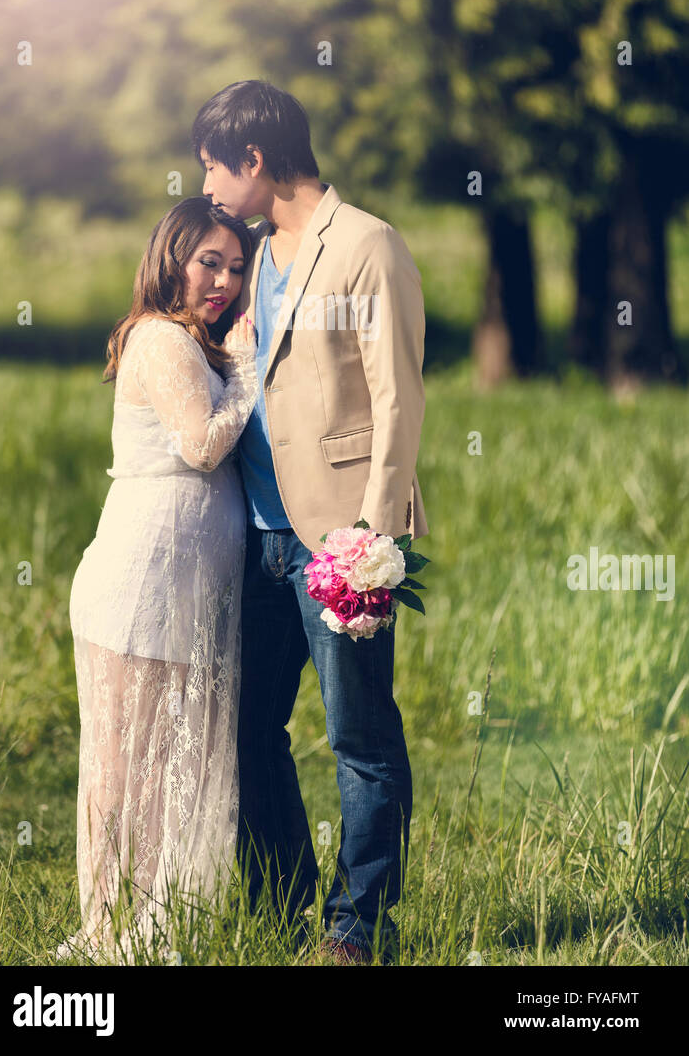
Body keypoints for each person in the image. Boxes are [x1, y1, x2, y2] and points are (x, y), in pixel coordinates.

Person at [191, 79, 429, 964]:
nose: (206, 182)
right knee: (247, 729)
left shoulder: (369, 246)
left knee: (360, 738)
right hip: (251, 536)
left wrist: (371, 541)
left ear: (255, 159)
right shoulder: (247, 251)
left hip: (336, 543)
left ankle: (357, 928)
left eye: (214, 164)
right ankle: (288, 903)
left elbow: (399, 401)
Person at [56, 197, 258, 962]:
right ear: (171, 256)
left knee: (167, 759)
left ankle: (157, 920)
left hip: (185, 585)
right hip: (143, 582)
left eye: (237, 268)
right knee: (128, 764)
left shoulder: (191, 341)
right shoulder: (165, 340)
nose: (225, 282)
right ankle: (110, 932)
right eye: (210, 261)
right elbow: (204, 448)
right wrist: (244, 372)